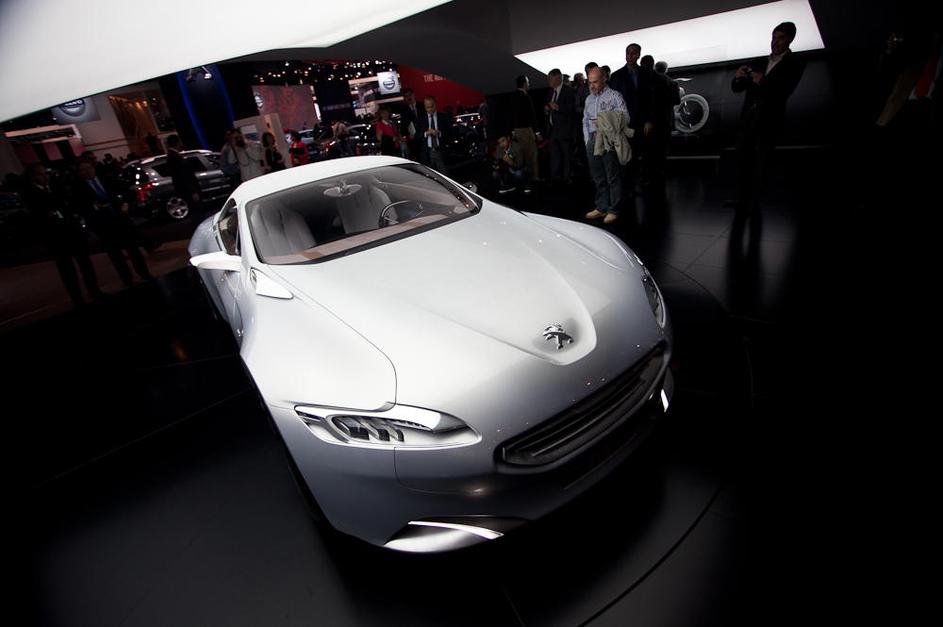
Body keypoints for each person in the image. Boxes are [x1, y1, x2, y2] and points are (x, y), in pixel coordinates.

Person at [730, 21, 805, 213]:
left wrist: (762, 81)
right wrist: (737, 77)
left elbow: (784, 92)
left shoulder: (795, 63)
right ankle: (740, 199)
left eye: (780, 38)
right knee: (742, 158)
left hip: (770, 119)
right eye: (773, 37)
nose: (775, 42)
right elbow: (737, 88)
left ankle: (755, 202)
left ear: (790, 40)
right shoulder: (759, 61)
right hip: (748, 118)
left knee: (762, 162)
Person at [21, 163, 105, 306]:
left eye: (46, 173)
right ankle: (77, 298)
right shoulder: (30, 194)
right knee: (67, 269)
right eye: (41, 174)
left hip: (72, 231)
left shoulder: (56, 187)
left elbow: (67, 204)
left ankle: (94, 290)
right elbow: (40, 215)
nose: (45, 177)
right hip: (55, 237)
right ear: (33, 177)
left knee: (85, 263)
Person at [72, 158, 151, 287]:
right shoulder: (79, 189)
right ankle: (127, 279)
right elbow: (82, 209)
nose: (87, 172)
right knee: (115, 255)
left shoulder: (107, 180)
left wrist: (125, 203)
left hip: (120, 220)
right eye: (83, 170)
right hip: (103, 225)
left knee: (133, 249)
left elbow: (126, 191)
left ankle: (144, 273)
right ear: (79, 173)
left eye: (89, 168)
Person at [583, 67, 628, 224]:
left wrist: (606, 119)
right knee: (598, 176)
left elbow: (626, 117)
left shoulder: (615, 96)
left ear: (604, 79)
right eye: (589, 82)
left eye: (595, 82)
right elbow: (585, 121)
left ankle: (613, 209)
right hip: (593, 140)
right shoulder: (589, 99)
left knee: (612, 176)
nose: (592, 86)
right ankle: (601, 207)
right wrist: (587, 140)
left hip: (608, 139)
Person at [544, 68, 577, 184]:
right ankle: (555, 178)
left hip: (565, 130)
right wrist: (547, 110)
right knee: (554, 155)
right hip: (553, 129)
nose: (548, 81)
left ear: (558, 78)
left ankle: (567, 178)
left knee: (566, 155)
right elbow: (549, 106)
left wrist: (558, 107)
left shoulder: (569, 91)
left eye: (550, 78)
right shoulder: (550, 92)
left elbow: (573, 109)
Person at [166, 134, 203, 219]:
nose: (181, 143)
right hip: (188, 191)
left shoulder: (172, 155)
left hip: (185, 190)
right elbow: (184, 176)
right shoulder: (175, 157)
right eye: (180, 141)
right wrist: (193, 191)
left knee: (195, 211)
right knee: (196, 211)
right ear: (177, 142)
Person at [511, 75, 540, 182]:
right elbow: (531, 115)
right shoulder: (525, 96)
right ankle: (534, 177)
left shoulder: (512, 96)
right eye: (528, 82)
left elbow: (511, 115)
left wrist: (513, 130)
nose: (529, 84)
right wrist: (537, 132)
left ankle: (524, 178)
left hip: (516, 130)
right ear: (524, 84)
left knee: (521, 155)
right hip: (526, 130)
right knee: (532, 154)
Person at [415, 95, 452, 174]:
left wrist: (440, 133)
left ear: (435, 104)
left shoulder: (443, 117)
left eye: (432, 106)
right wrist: (426, 133)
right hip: (427, 153)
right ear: (425, 107)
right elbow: (417, 136)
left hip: (441, 151)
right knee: (430, 176)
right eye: (427, 107)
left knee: (444, 175)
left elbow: (450, 133)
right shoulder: (421, 119)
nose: (430, 109)